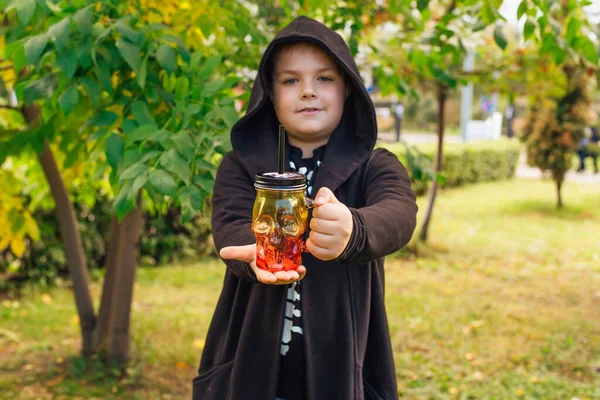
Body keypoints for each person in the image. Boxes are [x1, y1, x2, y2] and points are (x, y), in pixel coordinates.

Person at [192, 16, 418, 400]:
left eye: (325, 78)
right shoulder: (241, 166)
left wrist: (354, 230)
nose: (308, 91)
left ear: (347, 87)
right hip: (250, 370)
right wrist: (261, 250)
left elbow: (399, 212)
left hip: (343, 373)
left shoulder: (375, 166)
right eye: (290, 80)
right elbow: (230, 226)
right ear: (269, 92)